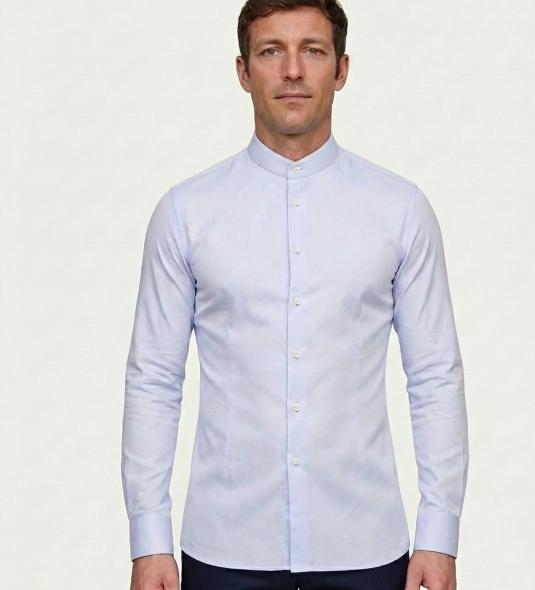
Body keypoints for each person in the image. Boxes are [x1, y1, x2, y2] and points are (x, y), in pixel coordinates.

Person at [121, 1, 469, 589]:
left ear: (342, 69)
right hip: (225, 548)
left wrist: (439, 534)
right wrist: (148, 540)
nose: (292, 70)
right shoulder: (186, 213)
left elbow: (435, 376)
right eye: (270, 51)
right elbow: (153, 380)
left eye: (312, 50)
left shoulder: (400, 210)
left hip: (365, 546)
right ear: (242, 71)